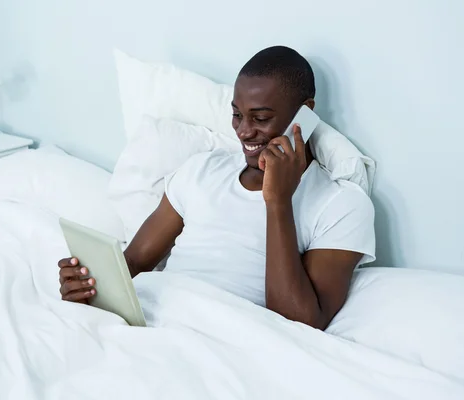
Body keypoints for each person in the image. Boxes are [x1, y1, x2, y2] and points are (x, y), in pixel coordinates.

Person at [58, 46, 375, 330]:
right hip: (153, 322)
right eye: (237, 115)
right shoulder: (202, 169)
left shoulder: (341, 203)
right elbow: (136, 261)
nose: (244, 132)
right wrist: (88, 285)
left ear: (305, 114)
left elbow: (299, 324)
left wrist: (278, 200)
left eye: (261, 118)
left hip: (224, 338)